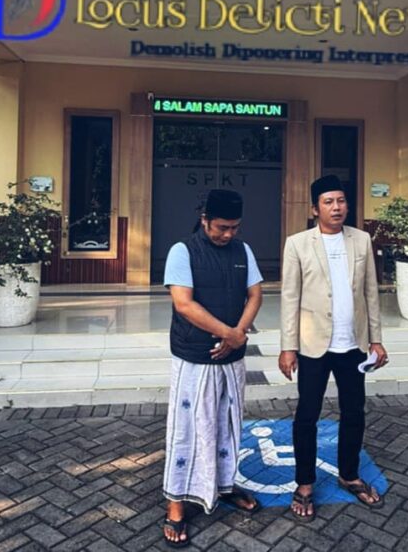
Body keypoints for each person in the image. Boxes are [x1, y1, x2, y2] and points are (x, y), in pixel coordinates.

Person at [279, 174, 388, 519]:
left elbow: (371, 293)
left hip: (352, 345)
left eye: (341, 201)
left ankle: (349, 475)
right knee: (307, 415)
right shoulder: (297, 244)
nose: (336, 207)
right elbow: (290, 297)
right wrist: (287, 347)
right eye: (328, 202)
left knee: (354, 412)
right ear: (315, 209)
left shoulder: (361, 239)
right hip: (313, 345)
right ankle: (304, 483)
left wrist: (376, 340)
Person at [162, 188, 263, 546]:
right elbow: (184, 304)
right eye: (221, 227)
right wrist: (229, 333)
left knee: (228, 425)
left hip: (231, 359)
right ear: (204, 220)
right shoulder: (182, 251)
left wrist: (237, 335)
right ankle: (176, 503)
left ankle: (224, 485)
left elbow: (255, 294)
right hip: (194, 357)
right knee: (187, 429)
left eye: (234, 227)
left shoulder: (243, 250)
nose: (228, 234)